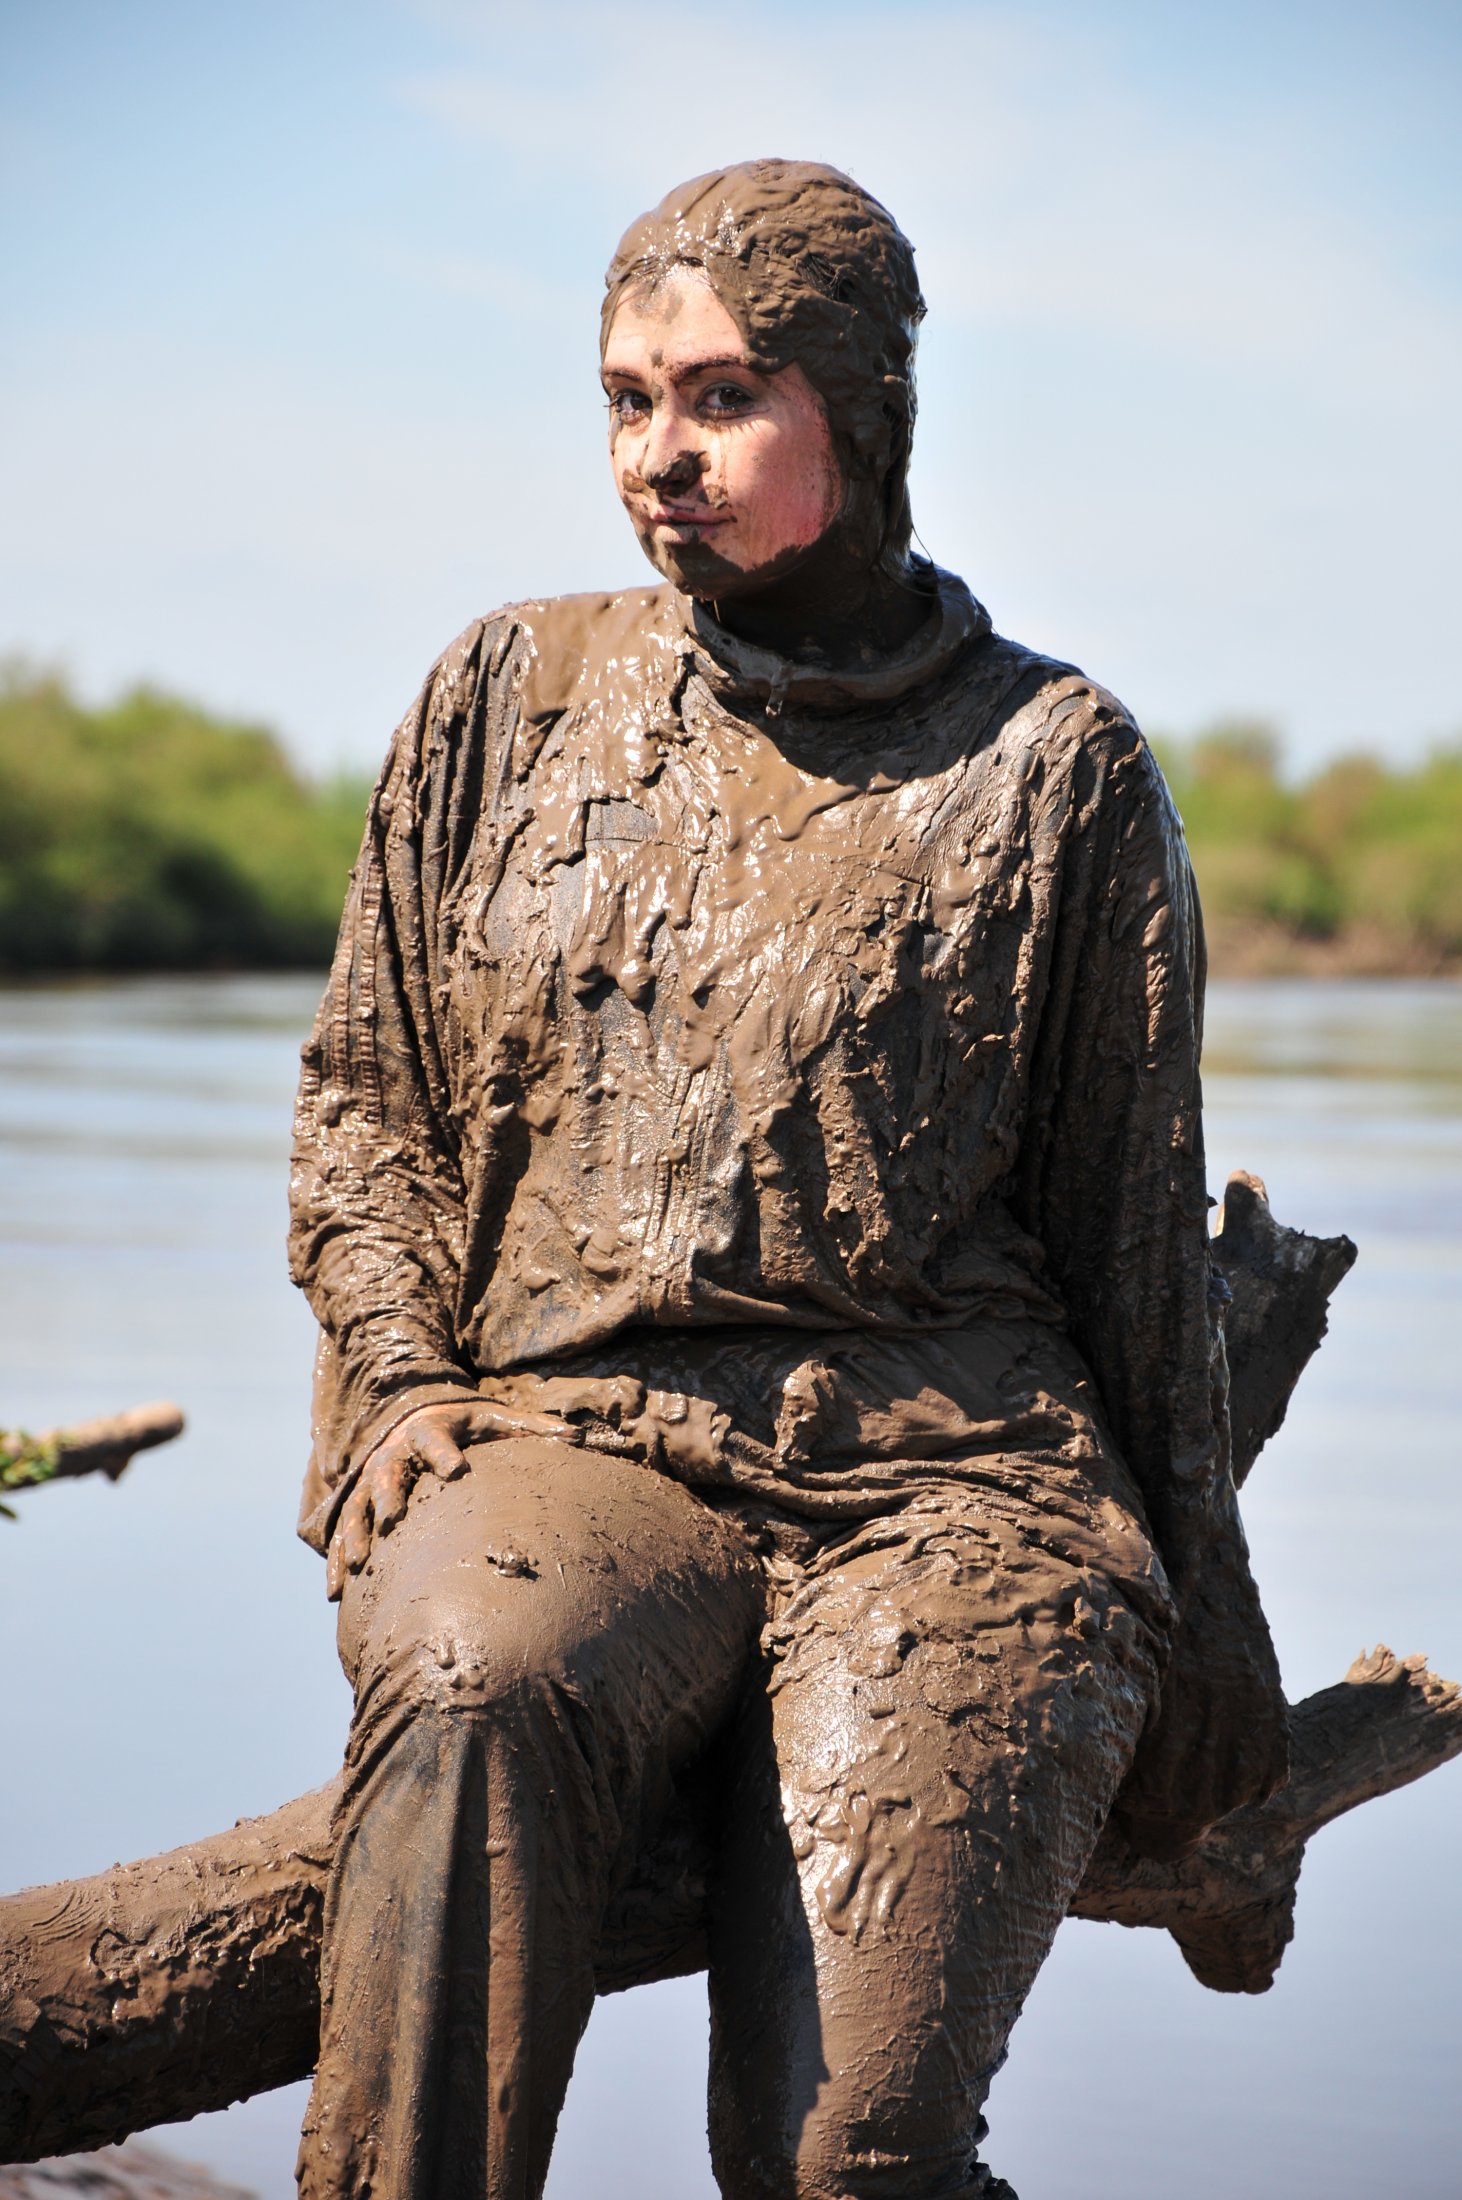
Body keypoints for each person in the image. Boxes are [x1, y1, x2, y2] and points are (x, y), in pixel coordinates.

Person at [288, 160, 1287, 2200]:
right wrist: (393, 1374)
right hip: (574, 1439)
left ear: (867, 405)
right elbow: (365, 1104)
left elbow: (1128, 1229)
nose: (658, 455)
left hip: (961, 1483)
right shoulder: (505, 696)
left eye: (722, 396)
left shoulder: (1053, 763)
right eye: (624, 400)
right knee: (474, 1688)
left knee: (844, 2151)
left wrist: (1208, 1625)